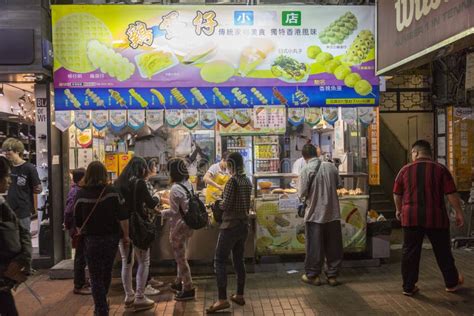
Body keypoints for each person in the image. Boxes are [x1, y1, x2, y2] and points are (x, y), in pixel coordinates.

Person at [393, 140, 465, 296]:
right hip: (436, 218)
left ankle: (408, 286)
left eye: (412, 153)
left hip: (411, 218)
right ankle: (451, 283)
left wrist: (398, 210)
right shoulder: (440, 169)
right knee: (443, 252)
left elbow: (397, 193)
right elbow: (451, 193)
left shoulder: (404, 170)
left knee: (410, 253)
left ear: (416, 153)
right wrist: (459, 212)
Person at [206, 152, 253, 314]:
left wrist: (217, 203)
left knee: (219, 260)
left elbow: (225, 206)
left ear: (231, 165)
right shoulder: (247, 181)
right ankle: (239, 294)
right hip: (243, 226)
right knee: (239, 261)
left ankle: (222, 299)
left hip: (230, 226)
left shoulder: (232, 181)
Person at [115, 157, 160, 311]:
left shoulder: (119, 183)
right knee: (143, 261)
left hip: (123, 226)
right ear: (141, 168)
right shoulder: (139, 183)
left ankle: (129, 296)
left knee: (126, 261)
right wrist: (158, 197)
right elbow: (151, 203)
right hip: (139, 227)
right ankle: (140, 296)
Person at [298, 144, 343, 286]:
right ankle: (332, 276)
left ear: (304, 157)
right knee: (333, 246)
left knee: (314, 247)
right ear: (316, 154)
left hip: (314, 215)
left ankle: (313, 275)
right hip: (332, 213)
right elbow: (338, 185)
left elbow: (302, 194)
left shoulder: (305, 170)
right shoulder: (331, 167)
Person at [0, 156, 31, 316]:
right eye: (7, 176)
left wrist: (22, 260)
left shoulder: (2, 203)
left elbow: (22, 232)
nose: (9, 181)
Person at [160, 158, 195, 301]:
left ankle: (188, 288)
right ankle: (178, 282)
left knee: (181, 259)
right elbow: (183, 205)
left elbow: (174, 212)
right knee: (182, 256)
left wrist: (160, 212)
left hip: (178, 227)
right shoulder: (188, 184)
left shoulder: (175, 188)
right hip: (188, 226)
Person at [2, 138, 42, 232]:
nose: (7, 155)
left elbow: (38, 188)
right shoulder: (7, 167)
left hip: (23, 209)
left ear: (18, 151)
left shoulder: (29, 168)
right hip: (8, 208)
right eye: (5, 153)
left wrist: (34, 189)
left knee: (24, 236)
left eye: (9, 152)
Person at [63, 168, 90, 295]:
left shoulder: (77, 190)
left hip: (77, 228)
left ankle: (82, 281)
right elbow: (68, 211)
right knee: (80, 257)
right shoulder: (76, 192)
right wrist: (69, 226)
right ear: (81, 179)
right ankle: (79, 285)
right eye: (86, 177)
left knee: (82, 255)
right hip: (77, 229)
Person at [143, 158, 164, 294]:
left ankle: (148, 278)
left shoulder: (145, 183)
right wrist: (158, 197)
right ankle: (144, 286)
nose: (156, 167)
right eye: (154, 165)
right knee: (144, 257)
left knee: (146, 256)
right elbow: (150, 202)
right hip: (145, 222)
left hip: (147, 221)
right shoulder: (143, 184)